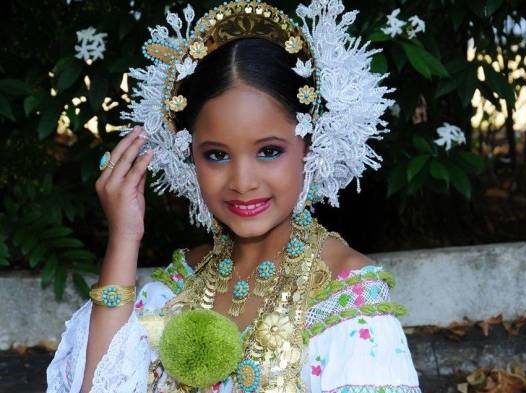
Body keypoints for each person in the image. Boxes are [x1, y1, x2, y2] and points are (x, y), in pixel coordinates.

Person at [46, 0, 421, 392]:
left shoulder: (344, 294)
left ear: (311, 146)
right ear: (190, 156)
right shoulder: (178, 286)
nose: (243, 181)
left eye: (269, 151)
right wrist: (124, 238)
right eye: (217, 155)